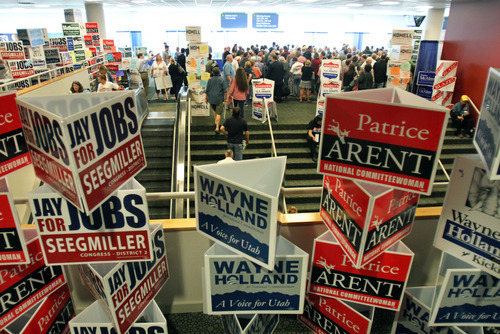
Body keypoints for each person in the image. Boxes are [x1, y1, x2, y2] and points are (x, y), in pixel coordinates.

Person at [206, 67, 227, 134]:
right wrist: (226, 98)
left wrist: (206, 98)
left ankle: (216, 123)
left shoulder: (209, 80)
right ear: (219, 72)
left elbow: (207, 90)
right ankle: (217, 127)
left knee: (215, 111)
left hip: (211, 98)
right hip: (219, 98)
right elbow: (225, 91)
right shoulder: (222, 80)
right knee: (219, 113)